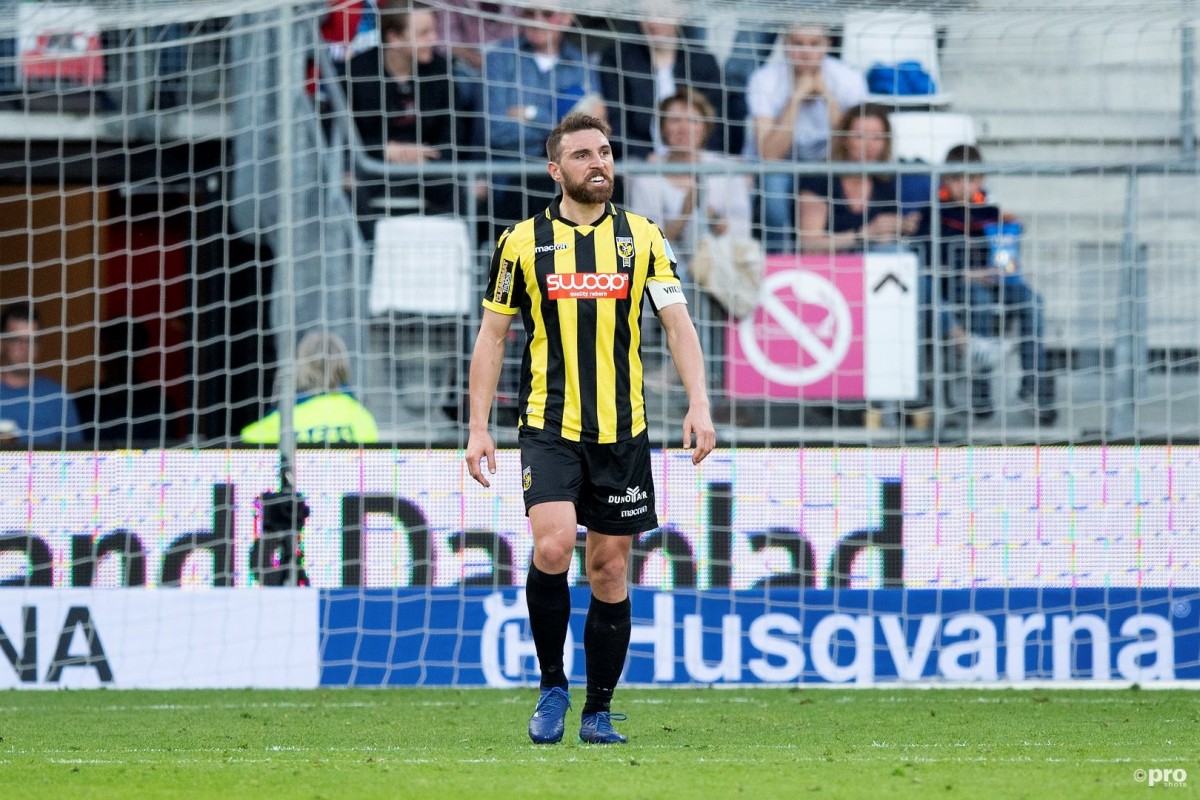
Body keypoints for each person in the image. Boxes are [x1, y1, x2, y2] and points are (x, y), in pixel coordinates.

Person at [465, 113, 715, 745]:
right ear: (556, 170)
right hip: (548, 425)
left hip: (623, 429)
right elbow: (492, 336)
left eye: (604, 151)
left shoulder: (643, 237)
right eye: (581, 155)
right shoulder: (521, 242)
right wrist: (477, 426)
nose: (597, 162)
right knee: (552, 547)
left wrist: (699, 404)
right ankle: (553, 685)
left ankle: (598, 710)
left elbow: (678, 324)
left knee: (608, 568)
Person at [932, 144, 1056, 424]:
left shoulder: (989, 211)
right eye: (956, 179)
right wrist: (965, 273)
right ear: (945, 179)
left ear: (981, 179)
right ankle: (980, 390)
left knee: (1032, 302)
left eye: (971, 179)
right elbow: (931, 259)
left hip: (995, 279)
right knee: (981, 302)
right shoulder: (935, 212)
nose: (964, 186)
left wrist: (1011, 232)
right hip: (957, 283)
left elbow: (1004, 253)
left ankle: (1034, 387)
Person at [478, 4, 605, 235]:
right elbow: (493, 130)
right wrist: (560, 125)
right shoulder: (500, 58)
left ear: (566, 18)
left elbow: (594, 132)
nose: (536, 20)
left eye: (547, 14)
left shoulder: (582, 64)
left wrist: (531, 114)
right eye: (529, 13)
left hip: (569, 180)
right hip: (511, 179)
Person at [744, 23, 867, 253]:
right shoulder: (764, 79)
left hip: (829, 162)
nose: (806, 52)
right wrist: (796, 98)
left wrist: (828, 97)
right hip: (778, 164)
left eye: (814, 44)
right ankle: (779, 259)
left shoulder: (848, 78)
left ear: (827, 45)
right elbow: (769, 154)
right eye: (798, 44)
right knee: (773, 195)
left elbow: (852, 145)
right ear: (785, 45)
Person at [345, 1, 468, 229]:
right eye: (423, 33)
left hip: (428, 163)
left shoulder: (440, 70)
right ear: (393, 37)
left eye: (433, 31)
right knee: (347, 185)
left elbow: (453, 132)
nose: (433, 39)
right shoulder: (357, 72)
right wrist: (384, 150)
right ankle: (369, 250)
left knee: (467, 188)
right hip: (373, 163)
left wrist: (428, 154)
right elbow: (344, 136)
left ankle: (447, 251)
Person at [626, 90, 752, 282]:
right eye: (675, 120)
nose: (684, 128)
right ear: (663, 128)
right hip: (666, 274)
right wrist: (683, 215)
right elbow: (645, 248)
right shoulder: (646, 177)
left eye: (693, 121)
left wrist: (711, 216)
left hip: (721, 270)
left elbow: (742, 236)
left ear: (705, 128)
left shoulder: (726, 171)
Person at [597, 7, 730, 159]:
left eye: (661, 13)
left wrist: (700, 159)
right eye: (646, 13)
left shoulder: (703, 62)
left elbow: (717, 124)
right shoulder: (618, 59)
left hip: (697, 161)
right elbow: (615, 123)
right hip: (639, 162)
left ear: (680, 13)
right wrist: (646, 157)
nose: (652, 22)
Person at [240, 330, 379, 444]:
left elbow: (246, 440)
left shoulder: (282, 419)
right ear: (342, 365)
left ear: (300, 365)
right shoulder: (361, 417)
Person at [76, 318, 178, 447]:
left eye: (120, 350)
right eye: (109, 349)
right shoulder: (84, 402)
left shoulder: (157, 406)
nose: (113, 358)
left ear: (137, 353)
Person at [0, 301, 84, 447]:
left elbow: (77, 455)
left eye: (31, 340)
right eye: (17, 340)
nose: (25, 348)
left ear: (40, 345)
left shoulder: (57, 397)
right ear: (2, 342)